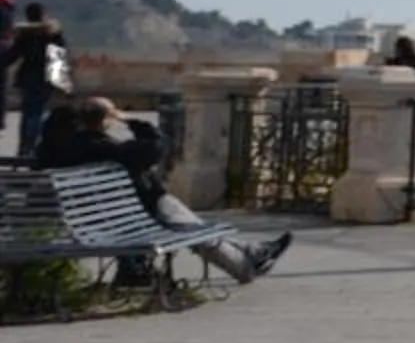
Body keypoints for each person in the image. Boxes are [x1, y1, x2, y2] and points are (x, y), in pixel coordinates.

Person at [37, 96, 290, 284]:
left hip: (97, 217)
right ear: (102, 121)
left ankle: (252, 252)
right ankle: (246, 265)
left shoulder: (55, 149)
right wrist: (128, 119)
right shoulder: (103, 148)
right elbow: (156, 147)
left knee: (185, 220)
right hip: (131, 215)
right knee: (186, 224)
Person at [10, 1, 69, 161]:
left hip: (27, 78)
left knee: (28, 114)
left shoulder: (24, 35)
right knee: (38, 114)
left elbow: (12, 56)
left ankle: (24, 148)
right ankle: (34, 147)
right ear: (43, 15)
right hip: (46, 79)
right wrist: (62, 84)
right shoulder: (52, 33)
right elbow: (58, 59)